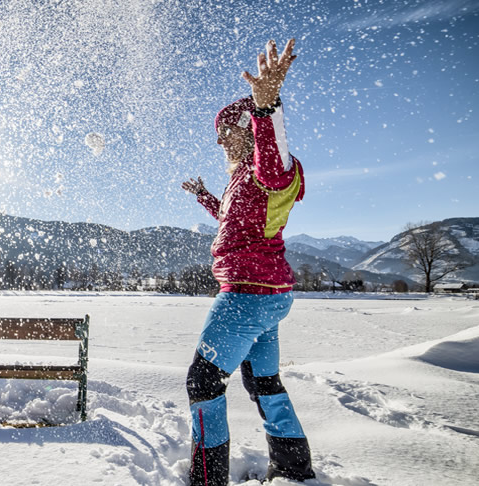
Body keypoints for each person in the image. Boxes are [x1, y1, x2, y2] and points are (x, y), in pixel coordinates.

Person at [181, 39, 315, 485]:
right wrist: (204, 196)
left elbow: (273, 160)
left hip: (245, 296)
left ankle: (207, 478)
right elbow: (230, 217)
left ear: (247, 128)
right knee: (263, 382)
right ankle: (293, 468)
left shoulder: (267, 168)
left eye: (225, 130)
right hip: (268, 296)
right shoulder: (243, 178)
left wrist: (265, 106)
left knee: (203, 382)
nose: (219, 140)